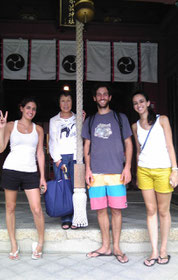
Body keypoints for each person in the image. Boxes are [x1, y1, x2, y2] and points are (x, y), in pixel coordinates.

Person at [82, 82, 133, 263]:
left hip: (117, 173)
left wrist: (127, 168)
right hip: (95, 173)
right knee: (101, 210)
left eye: (105, 94)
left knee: (117, 210)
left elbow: (129, 144)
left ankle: (117, 247)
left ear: (109, 97)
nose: (102, 97)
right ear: (94, 98)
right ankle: (105, 246)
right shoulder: (90, 121)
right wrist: (87, 169)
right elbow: (86, 147)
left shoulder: (120, 118)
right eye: (99, 94)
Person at [0, 97, 47, 260]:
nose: (31, 111)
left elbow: (40, 153)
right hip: (11, 170)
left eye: (34, 109)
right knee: (10, 208)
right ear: (21, 108)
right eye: (28, 108)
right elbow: (0, 148)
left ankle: (40, 243)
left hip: (30, 172)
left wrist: (43, 177)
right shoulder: (11, 125)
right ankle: (13, 244)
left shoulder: (38, 129)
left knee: (37, 209)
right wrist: (2, 128)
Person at [132, 92, 178, 267]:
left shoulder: (162, 120)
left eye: (141, 101)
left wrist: (175, 170)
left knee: (163, 211)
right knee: (151, 211)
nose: (139, 105)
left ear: (148, 103)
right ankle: (154, 251)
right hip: (144, 170)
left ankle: (164, 249)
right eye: (135, 103)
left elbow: (170, 145)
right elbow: (138, 151)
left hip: (163, 170)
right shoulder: (134, 126)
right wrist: (137, 173)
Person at [49, 91, 78, 230]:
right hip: (61, 158)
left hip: (75, 157)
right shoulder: (54, 120)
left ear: (72, 102)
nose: (66, 104)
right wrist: (57, 159)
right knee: (63, 189)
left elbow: (82, 138)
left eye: (68, 100)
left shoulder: (78, 118)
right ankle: (66, 217)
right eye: (63, 101)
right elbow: (52, 141)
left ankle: (77, 216)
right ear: (59, 103)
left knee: (76, 187)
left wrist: (83, 122)